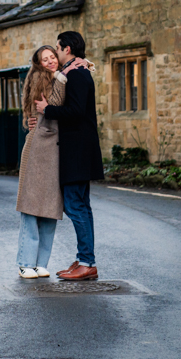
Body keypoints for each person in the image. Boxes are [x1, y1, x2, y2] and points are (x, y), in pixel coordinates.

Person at [36, 31, 104, 281]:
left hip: (77, 150)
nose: (56, 53)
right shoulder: (77, 72)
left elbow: (75, 111)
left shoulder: (76, 74)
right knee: (81, 207)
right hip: (80, 149)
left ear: (67, 49)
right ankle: (85, 259)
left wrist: (47, 109)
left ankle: (87, 262)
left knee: (75, 205)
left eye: (57, 48)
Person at [15, 45, 68, 279]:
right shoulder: (40, 77)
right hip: (39, 149)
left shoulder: (57, 75)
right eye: (45, 59)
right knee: (32, 206)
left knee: (49, 207)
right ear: (39, 64)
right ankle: (26, 263)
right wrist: (61, 77)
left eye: (52, 57)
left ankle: (40, 263)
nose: (50, 62)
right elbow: (53, 104)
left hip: (54, 150)